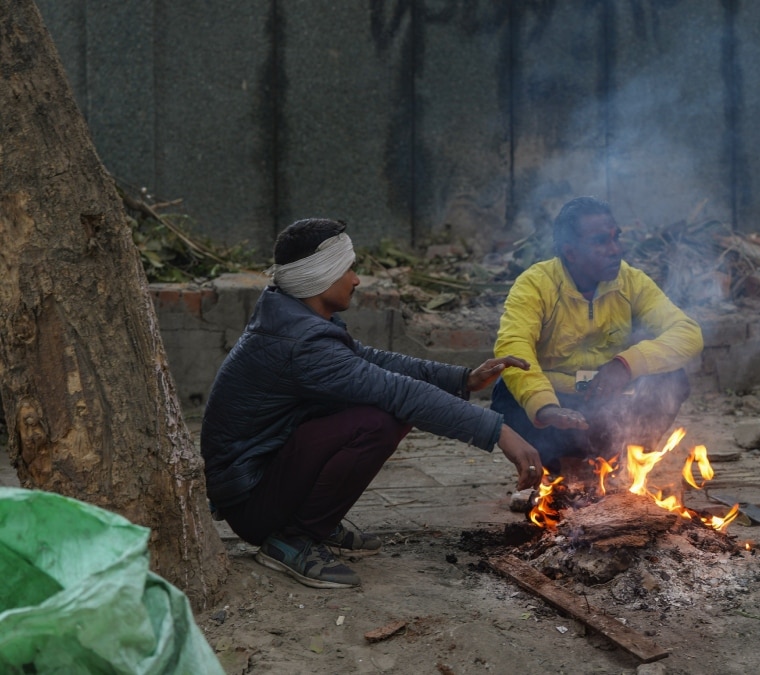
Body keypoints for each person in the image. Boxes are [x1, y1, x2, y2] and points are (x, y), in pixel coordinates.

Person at [201, 218, 543, 590]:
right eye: (349, 268)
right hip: (252, 504)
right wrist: (499, 432)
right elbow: (399, 392)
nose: (357, 279)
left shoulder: (293, 318)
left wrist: (462, 379)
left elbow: (373, 362)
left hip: (258, 485)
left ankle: (311, 521)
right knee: (379, 419)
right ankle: (293, 538)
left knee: (378, 407)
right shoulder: (301, 343)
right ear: (321, 276)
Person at [489, 196, 704, 475]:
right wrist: (544, 407)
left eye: (616, 238)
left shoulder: (631, 281)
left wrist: (625, 365)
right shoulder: (535, 283)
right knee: (506, 391)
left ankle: (619, 467)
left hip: (609, 404)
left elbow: (688, 333)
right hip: (556, 411)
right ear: (571, 252)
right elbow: (513, 347)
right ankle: (559, 472)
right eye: (601, 242)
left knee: (672, 378)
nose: (615, 249)